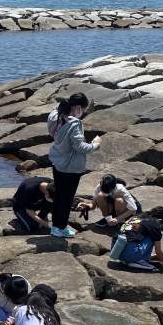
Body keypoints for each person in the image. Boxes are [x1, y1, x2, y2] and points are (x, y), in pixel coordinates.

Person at [47, 92, 101, 239]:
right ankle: (60, 228)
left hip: (57, 161)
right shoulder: (74, 123)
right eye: (83, 109)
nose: (83, 112)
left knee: (59, 196)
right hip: (70, 167)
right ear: (77, 108)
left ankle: (56, 226)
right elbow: (81, 147)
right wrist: (95, 145)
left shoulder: (55, 115)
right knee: (66, 198)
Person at [116, 207, 163, 273]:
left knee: (143, 234)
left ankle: (133, 257)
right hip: (129, 255)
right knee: (155, 235)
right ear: (160, 220)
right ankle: (137, 260)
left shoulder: (136, 217)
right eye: (162, 224)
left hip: (117, 252)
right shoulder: (154, 224)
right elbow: (158, 251)